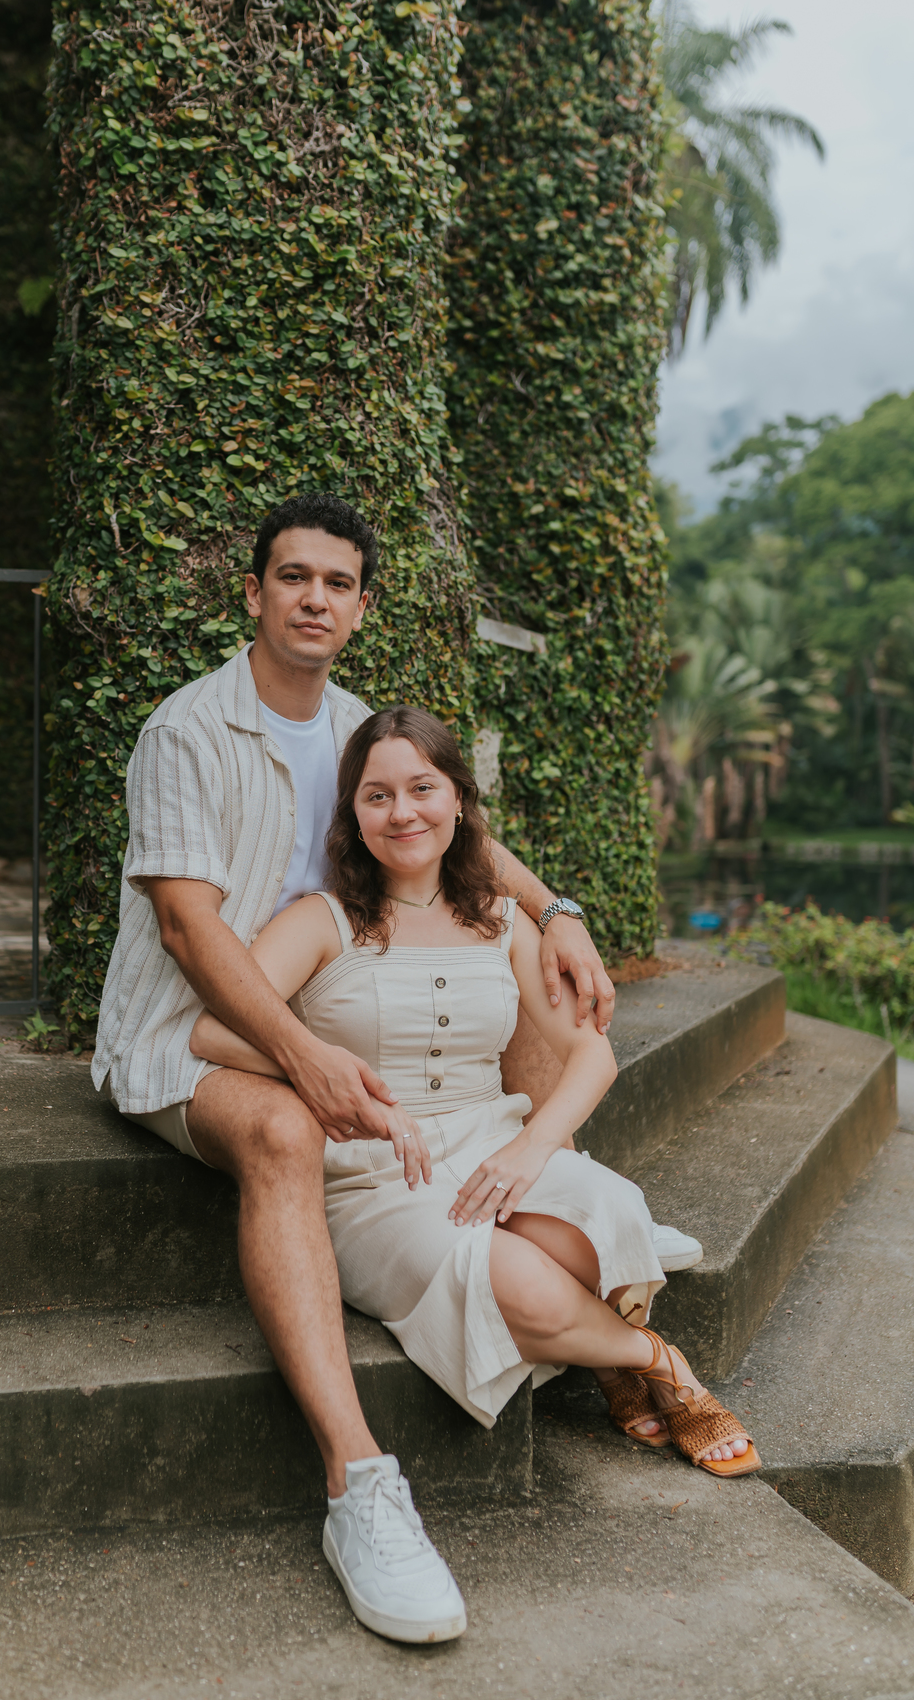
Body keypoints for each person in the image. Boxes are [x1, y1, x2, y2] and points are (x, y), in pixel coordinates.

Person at [90, 493, 702, 1642]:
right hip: (197, 1037)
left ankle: (561, 1207)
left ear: (361, 606)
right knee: (285, 1132)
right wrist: (302, 1056)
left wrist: (557, 911)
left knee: (524, 993)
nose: (313, 599)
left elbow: (456, 822)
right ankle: (360, 1487)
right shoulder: (185, 732)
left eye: (336, 582)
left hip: (320, 1008)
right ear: (256, 592)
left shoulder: (355, 722)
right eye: (293, 577)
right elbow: (187, 932)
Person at [189, 706, 761, 1612]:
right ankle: (652, 1357)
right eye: (377, 796)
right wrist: (330, 1070)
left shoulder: (498, 919)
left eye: (423, 789)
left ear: (459, 802)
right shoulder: (321, 920)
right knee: (525, 1287)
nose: (402, 812)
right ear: (353, 817)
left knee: (601, 1215)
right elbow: (216, 1028)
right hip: (383, 1176)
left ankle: (598, 1346)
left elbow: (591, 1055)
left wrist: (534, 1146)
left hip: (497, 1145)